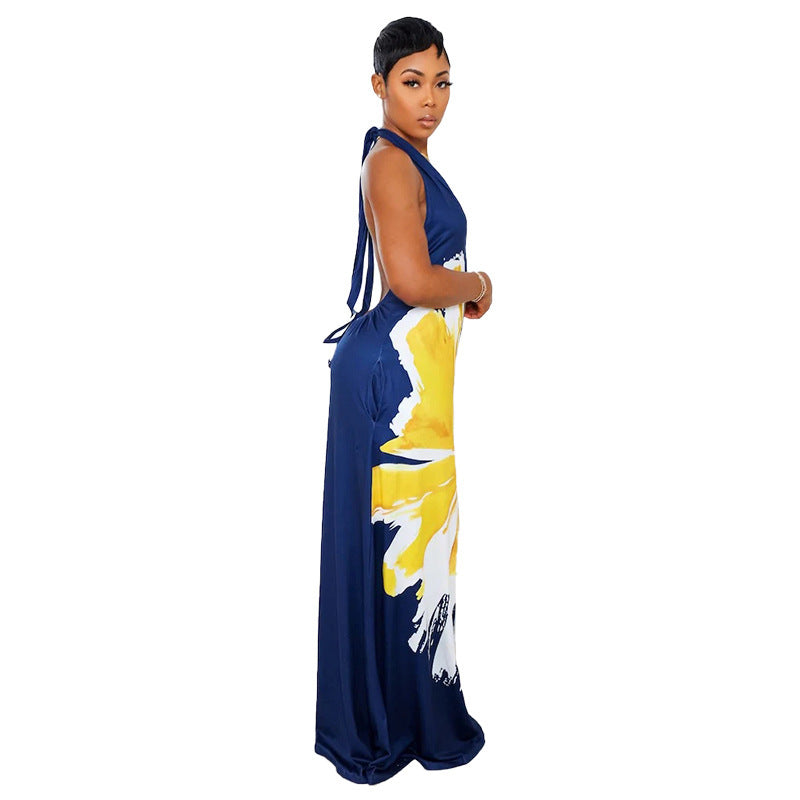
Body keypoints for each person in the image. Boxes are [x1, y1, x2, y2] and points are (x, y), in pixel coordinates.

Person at [315, 17, 493, 785]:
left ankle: (405, 711)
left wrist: (458, 291)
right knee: (407, 546)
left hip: (409, 384)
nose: (431, 99)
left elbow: (420, 274)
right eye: (413, 82)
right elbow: (413, 281)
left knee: (419, 543)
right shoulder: (390, 162)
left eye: (442, 82)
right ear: (379, 85)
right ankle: (393, 722)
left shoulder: (407, 159)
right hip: (390, 386)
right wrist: (478, 284)